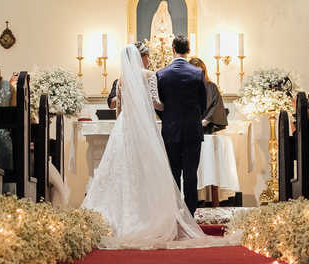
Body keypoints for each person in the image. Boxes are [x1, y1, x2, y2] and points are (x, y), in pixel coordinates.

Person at [82, 44, 226, 249]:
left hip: (124, 126)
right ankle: (152, 215)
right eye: (147, 57)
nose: (149, 60)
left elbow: (119, 107)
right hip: (144, 126)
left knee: (123, 170)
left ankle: (120, 215)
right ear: (142, 58)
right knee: (148, 169)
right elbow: (156, 102)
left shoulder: (122, 78)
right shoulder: (150, 74)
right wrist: (173, 107)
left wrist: (124, 119)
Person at [157, 36, 208, 216]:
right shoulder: (197, 73)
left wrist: (168, 117)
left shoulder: (162, 74)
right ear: (188, 50)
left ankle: (174, 213)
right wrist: (194, 118)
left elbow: (160, 102)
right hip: (192, 129)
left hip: (170, 129)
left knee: (173, 174)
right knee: (190, 174)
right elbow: (204, 102)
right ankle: (190, 214)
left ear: (172, 49)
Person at [188, 57, 227, 133]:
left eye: (200, 71)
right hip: (188, 128)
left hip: (206, 128)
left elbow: (216, 106)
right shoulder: (185, 87)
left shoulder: (211, 87)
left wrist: (207, 120)